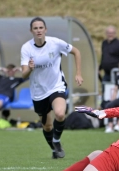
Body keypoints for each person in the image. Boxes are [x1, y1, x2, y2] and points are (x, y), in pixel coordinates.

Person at [21, 17, 83, 159]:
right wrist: (30, 69)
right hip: (38, 91)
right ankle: (54, 147)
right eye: (35, 28)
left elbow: (76, 52)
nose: (38, 30)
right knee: (47, 126)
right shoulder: (26, 48)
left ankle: (56, 140)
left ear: (45, 29)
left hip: (56, 86)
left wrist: (78, 73)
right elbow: (24, 74)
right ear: (31, 31)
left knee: (60, 114)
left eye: (41, 27)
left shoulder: (55, 43)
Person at [0, 64, 26, 131]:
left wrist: (20, 69)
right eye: (8, 70)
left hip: (5, 97)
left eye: (12, 70)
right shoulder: (1, 78)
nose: (10, 72)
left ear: (14, 71)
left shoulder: (17, 80)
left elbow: (29, 76)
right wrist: (1, 69)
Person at [98, 26, 119, 106]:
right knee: (105, 91)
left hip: (116, 74)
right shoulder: (104, 43)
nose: (110, 35)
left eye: (111, 33)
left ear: (115, 34)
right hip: (106, 74)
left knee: (114, 92)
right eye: (108, 33)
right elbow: (103, 56)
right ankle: (105, 108)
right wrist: (100, 67)